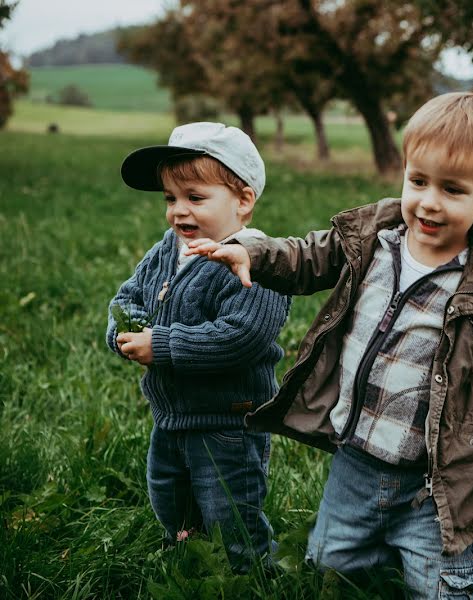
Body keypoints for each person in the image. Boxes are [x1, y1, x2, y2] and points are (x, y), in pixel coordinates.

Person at [187, 93, 473, 597]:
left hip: (439, 483)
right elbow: (306, 257)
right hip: (355, 460)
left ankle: (421, 559)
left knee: (446, 588)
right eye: (417, 181)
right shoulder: (373, 237)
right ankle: (372, 551)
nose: (428, 201)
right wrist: (253, 251)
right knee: (330, 571)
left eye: (453, 189)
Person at [105, 122, 291, 572]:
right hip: (171, 416)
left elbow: (240, 336)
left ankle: (250, 574)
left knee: (230, 512)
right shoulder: (170, 247)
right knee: (169, 494)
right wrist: (124, 331)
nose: (177, 212)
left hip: (228, 421)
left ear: (243, 201)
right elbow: (129, 295)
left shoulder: (255, 262)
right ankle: (187, 556)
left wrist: (163, 346)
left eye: (195, 197)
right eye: (170, 198)